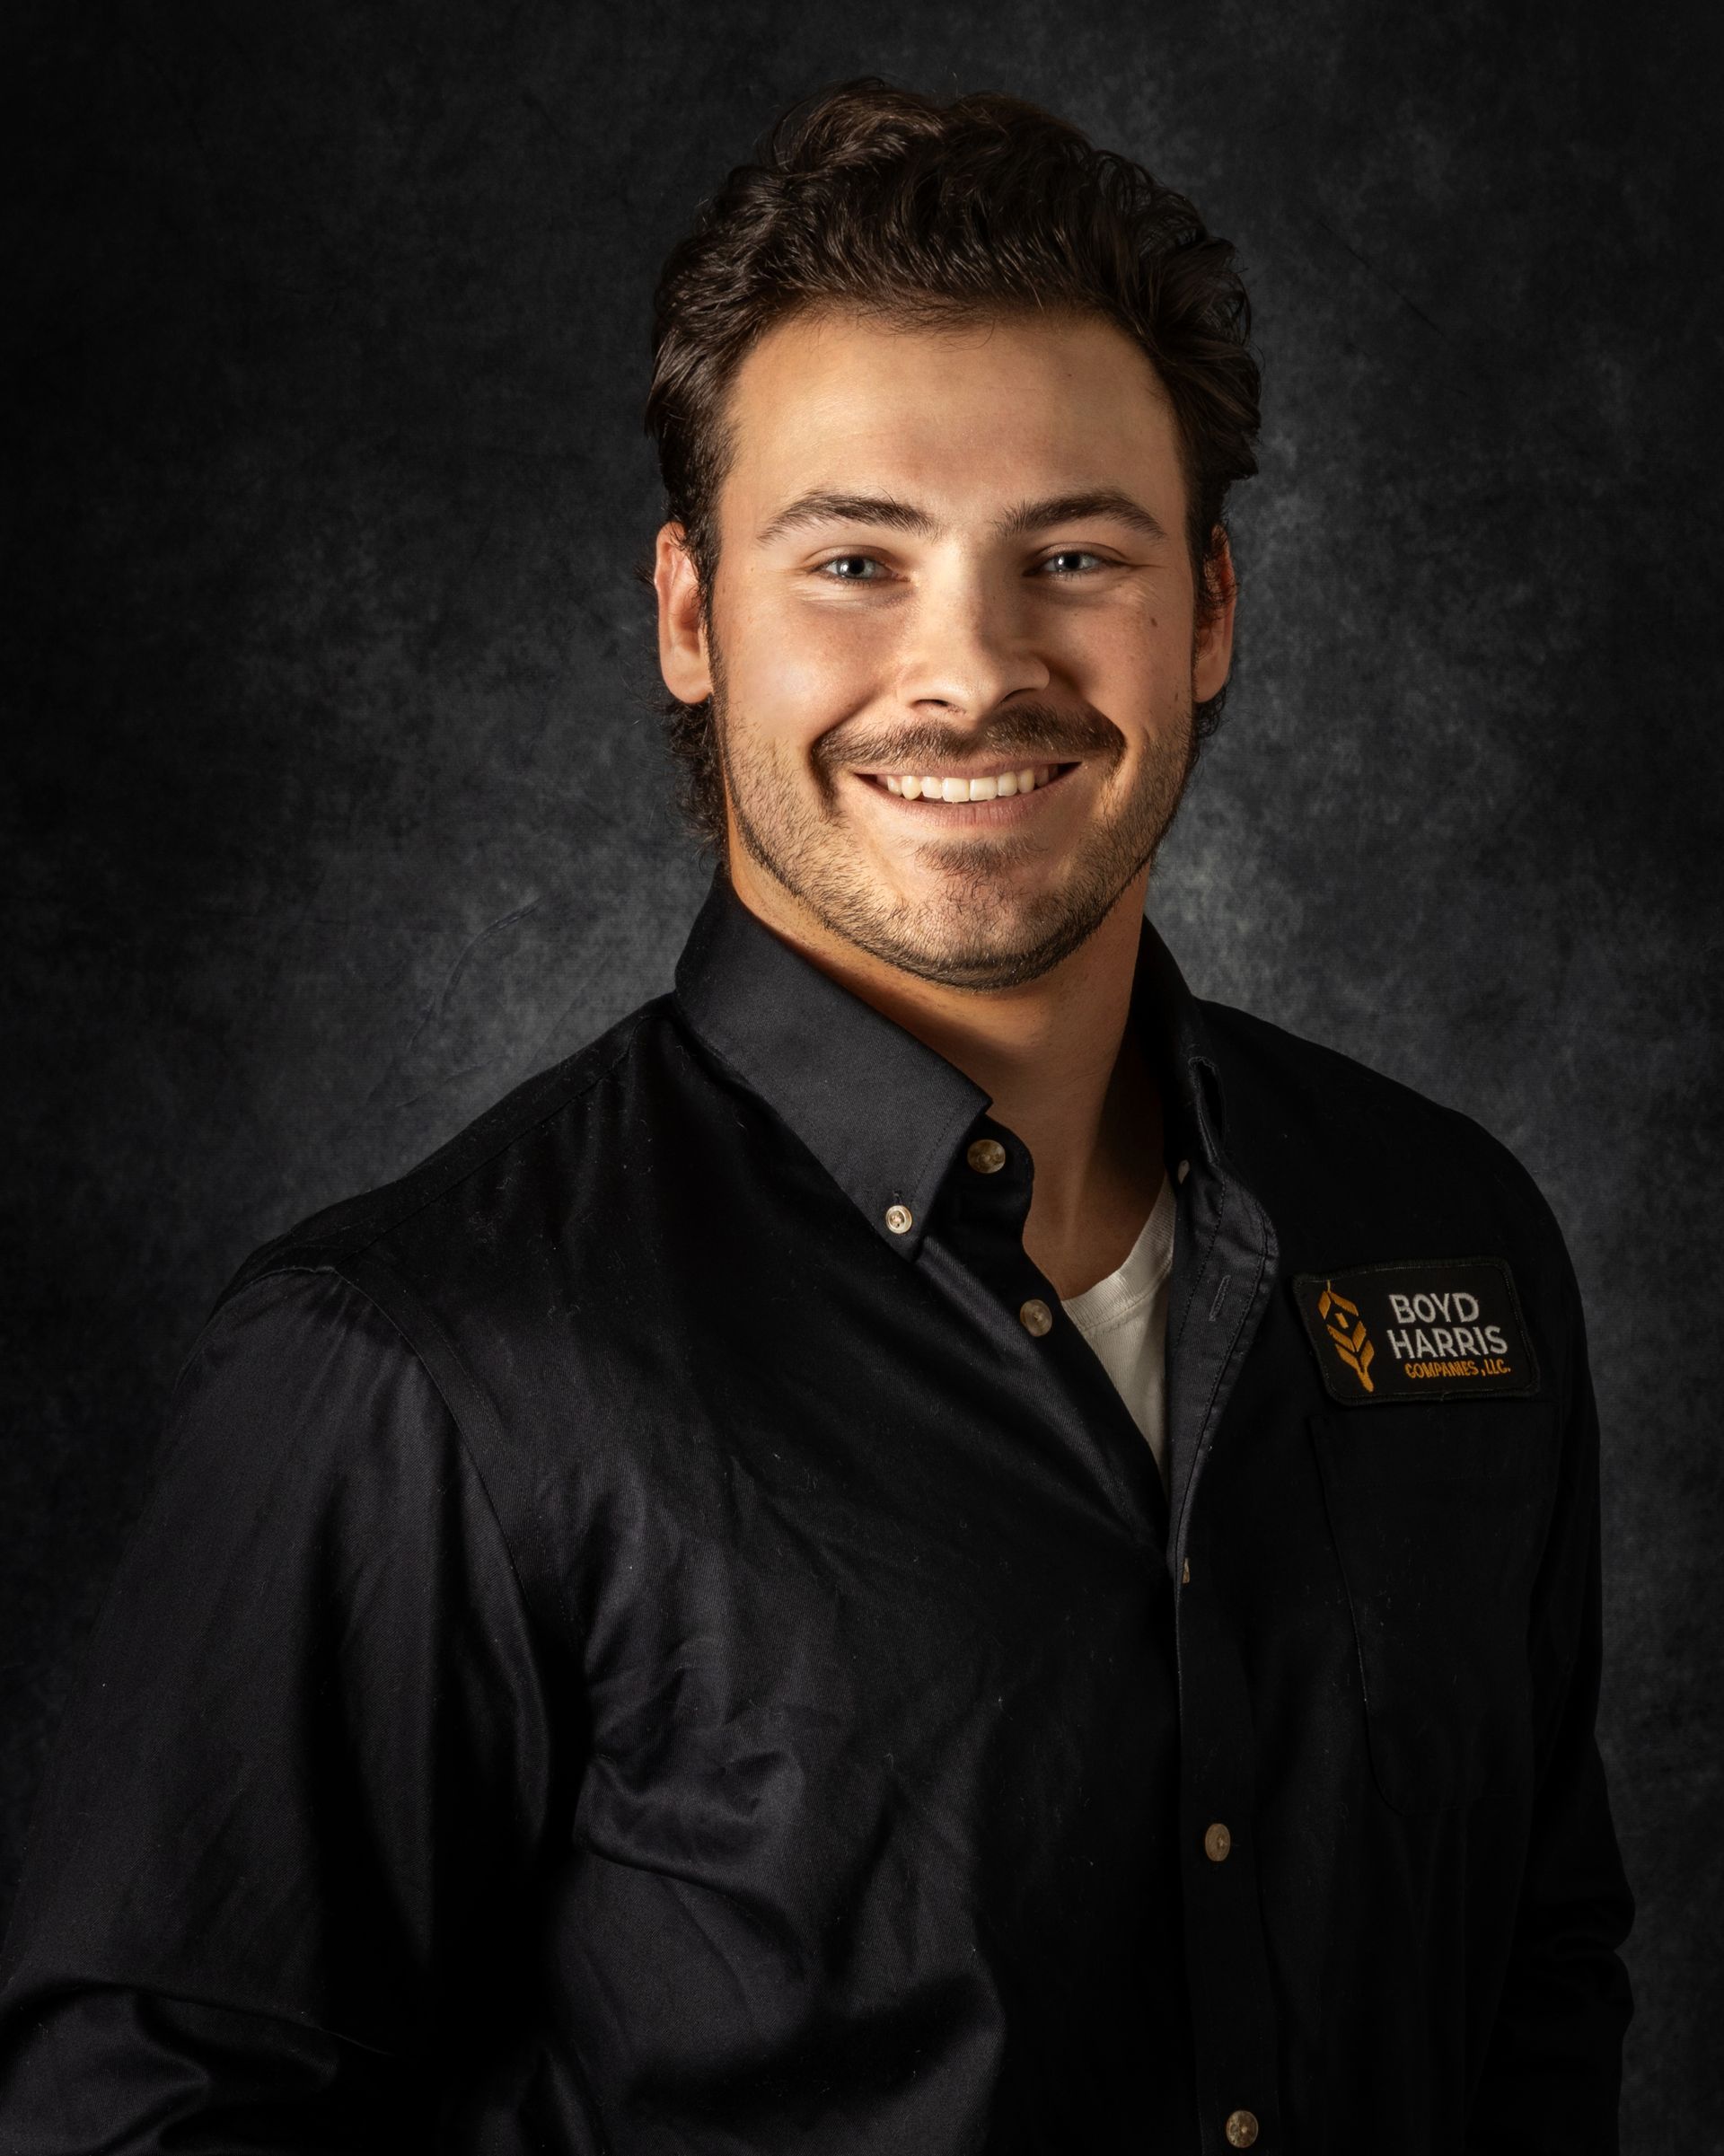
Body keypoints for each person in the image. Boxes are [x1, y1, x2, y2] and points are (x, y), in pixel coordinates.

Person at [0, 78, 1632, 2155]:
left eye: (1075, 552)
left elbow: (1540, 1977)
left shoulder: (1450, 1238)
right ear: (693, 618)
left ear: (1209, 609)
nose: (971, 670)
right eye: (857, 556)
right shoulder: (412, 1367)